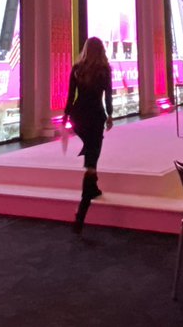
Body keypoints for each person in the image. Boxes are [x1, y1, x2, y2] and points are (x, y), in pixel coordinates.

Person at [63, 37, 115, 233]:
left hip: (78, 117)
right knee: (92, 160)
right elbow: (108, 95)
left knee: (91, 151)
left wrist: (65, 116)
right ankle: (81, 214)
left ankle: (94, 187)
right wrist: (110, 115)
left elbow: (70, 96)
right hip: (95, 116)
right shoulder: (104, 70)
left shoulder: (77, 68)